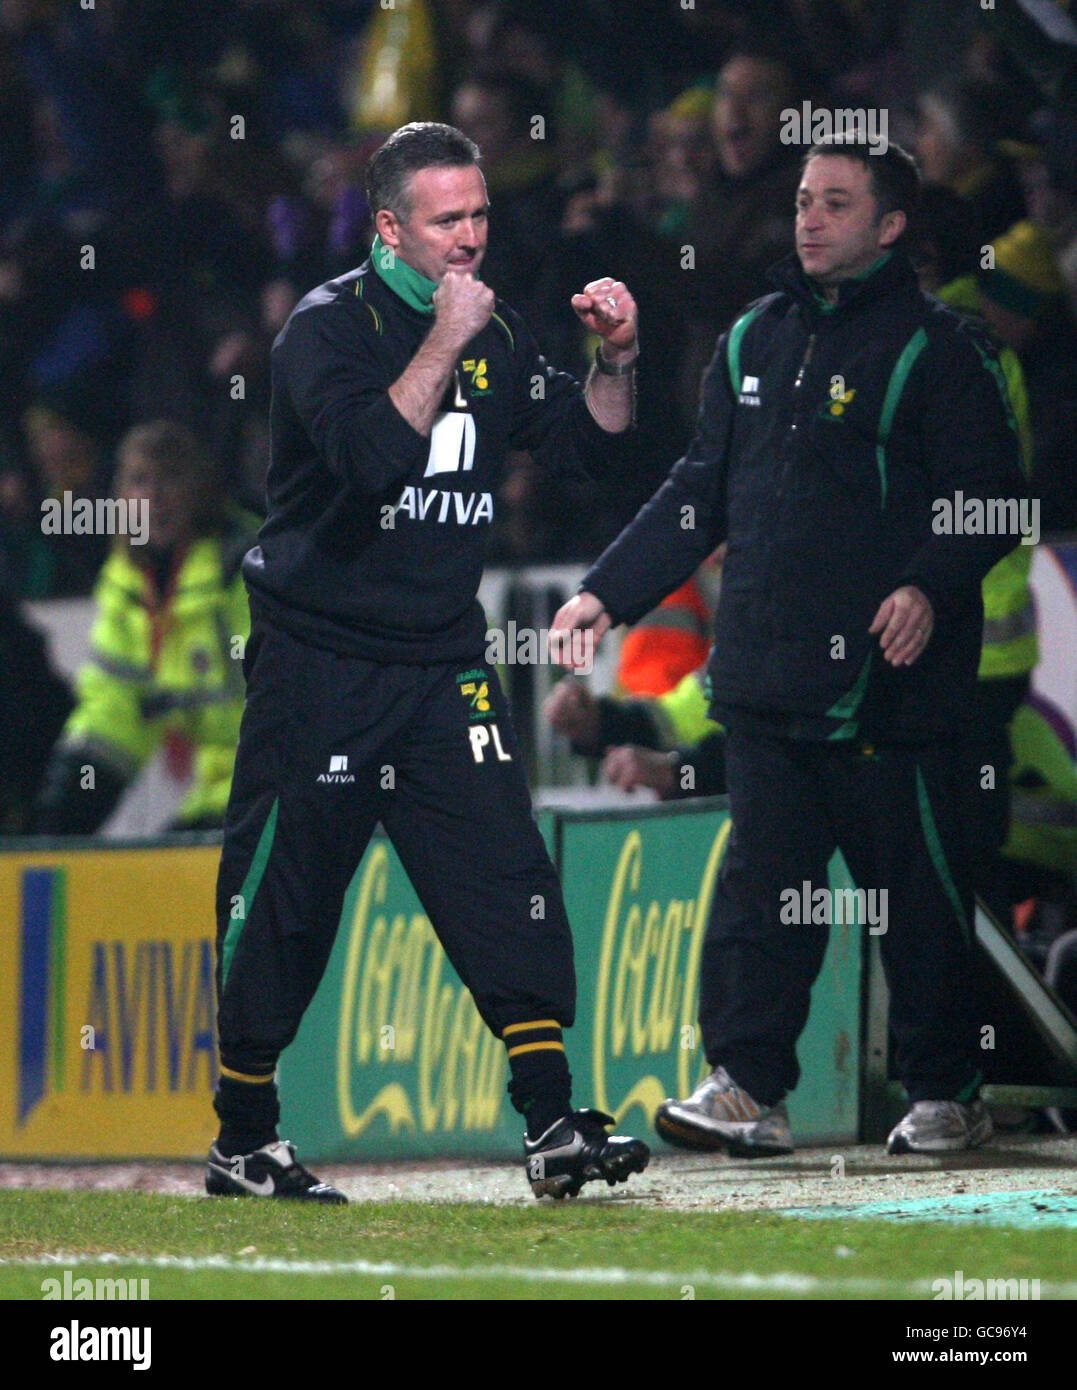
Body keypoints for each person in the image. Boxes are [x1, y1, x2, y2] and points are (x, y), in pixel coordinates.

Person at [553, 138, 1027, 1158]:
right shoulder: (750, 339)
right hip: (765, 683)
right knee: (760, 902)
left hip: (891, 692)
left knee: (918, 899)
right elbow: (698, 491)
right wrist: (607, 591)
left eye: (838, 203)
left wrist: (926, 585)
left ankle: (948, 1089)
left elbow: (994, 500)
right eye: (806, 200)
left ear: (891, 225)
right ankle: (749, 1087)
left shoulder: (943, 350)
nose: (809, 218)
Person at [206, 122, 650, 1204]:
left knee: (506, 876)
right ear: (390, 228)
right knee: (289, 896)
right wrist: (444, 341)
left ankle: (552, 1124)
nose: (470, 239)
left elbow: (593, 448)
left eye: (481, 215)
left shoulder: (498, 329)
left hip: (442, 658)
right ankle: (244, 1137)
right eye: (447, 220)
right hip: (321, 659)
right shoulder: (327, 328)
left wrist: (617, 359)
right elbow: (366, 463)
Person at [34, 420, 255, 836]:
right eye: (139, 480)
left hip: (277, 798)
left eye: (170, 478)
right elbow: (113, 716)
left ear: (201, 491)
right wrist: (60, 814)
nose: (154, 498)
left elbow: (290, 711)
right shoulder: (130, 587)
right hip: (218, 800)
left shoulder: (248, 572)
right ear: (119, 497)